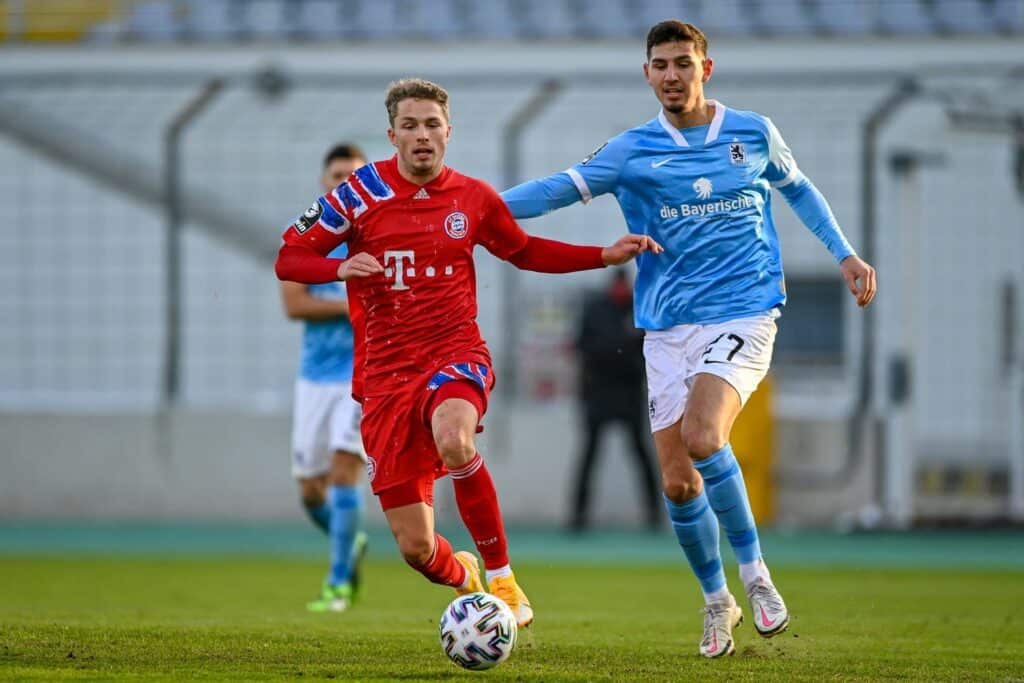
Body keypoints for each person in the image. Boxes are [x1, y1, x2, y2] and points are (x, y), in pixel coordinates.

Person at [502, 20, 877, 657]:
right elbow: (553, 191)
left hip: (744, 311)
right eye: (660, 65)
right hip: (666, 328)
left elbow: (800, 189)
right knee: (677, 483)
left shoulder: (753, 133)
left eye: (683, 62)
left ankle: (757, 577)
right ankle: (717, 602)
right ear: (646, 74)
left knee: (706, 437)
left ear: (707, 67)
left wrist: (843, 253)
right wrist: (466, 204)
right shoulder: (632, 150)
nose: (672, 75)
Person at [275, 78, 661, 629]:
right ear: (393, 135)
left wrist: (601, 254)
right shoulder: (357, 194)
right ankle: (467, 578)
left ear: (448, 132)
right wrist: (337, 266)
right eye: (410, 125)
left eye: (432, 124)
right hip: (384, 377)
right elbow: (289, 257)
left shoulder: (472, 198)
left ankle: (503, 578)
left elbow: (524, 251)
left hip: (453, 353)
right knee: (416, 548)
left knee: (455, 437)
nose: (422, 135)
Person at [280, 143, 370, 613]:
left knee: (342, 472)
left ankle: (337, 585)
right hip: (314, 378)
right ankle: (350, 543)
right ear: (324, 182)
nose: (345, 183)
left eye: (354, 176)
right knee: (310, 490)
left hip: (362, 374)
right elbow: (294, 304)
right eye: (337, 176)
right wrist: (350, 306)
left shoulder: (378, 234)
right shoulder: (309, 235)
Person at [571, 268, 660, 532]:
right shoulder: (596, 309)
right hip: (598, 392)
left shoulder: (638, 308)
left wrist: (619, 348)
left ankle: (654, 514)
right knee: (589, 455)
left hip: (629, 392)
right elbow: (585, 347)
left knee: (641, 454)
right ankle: (578, 516)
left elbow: (649, 348)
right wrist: (622, 345)